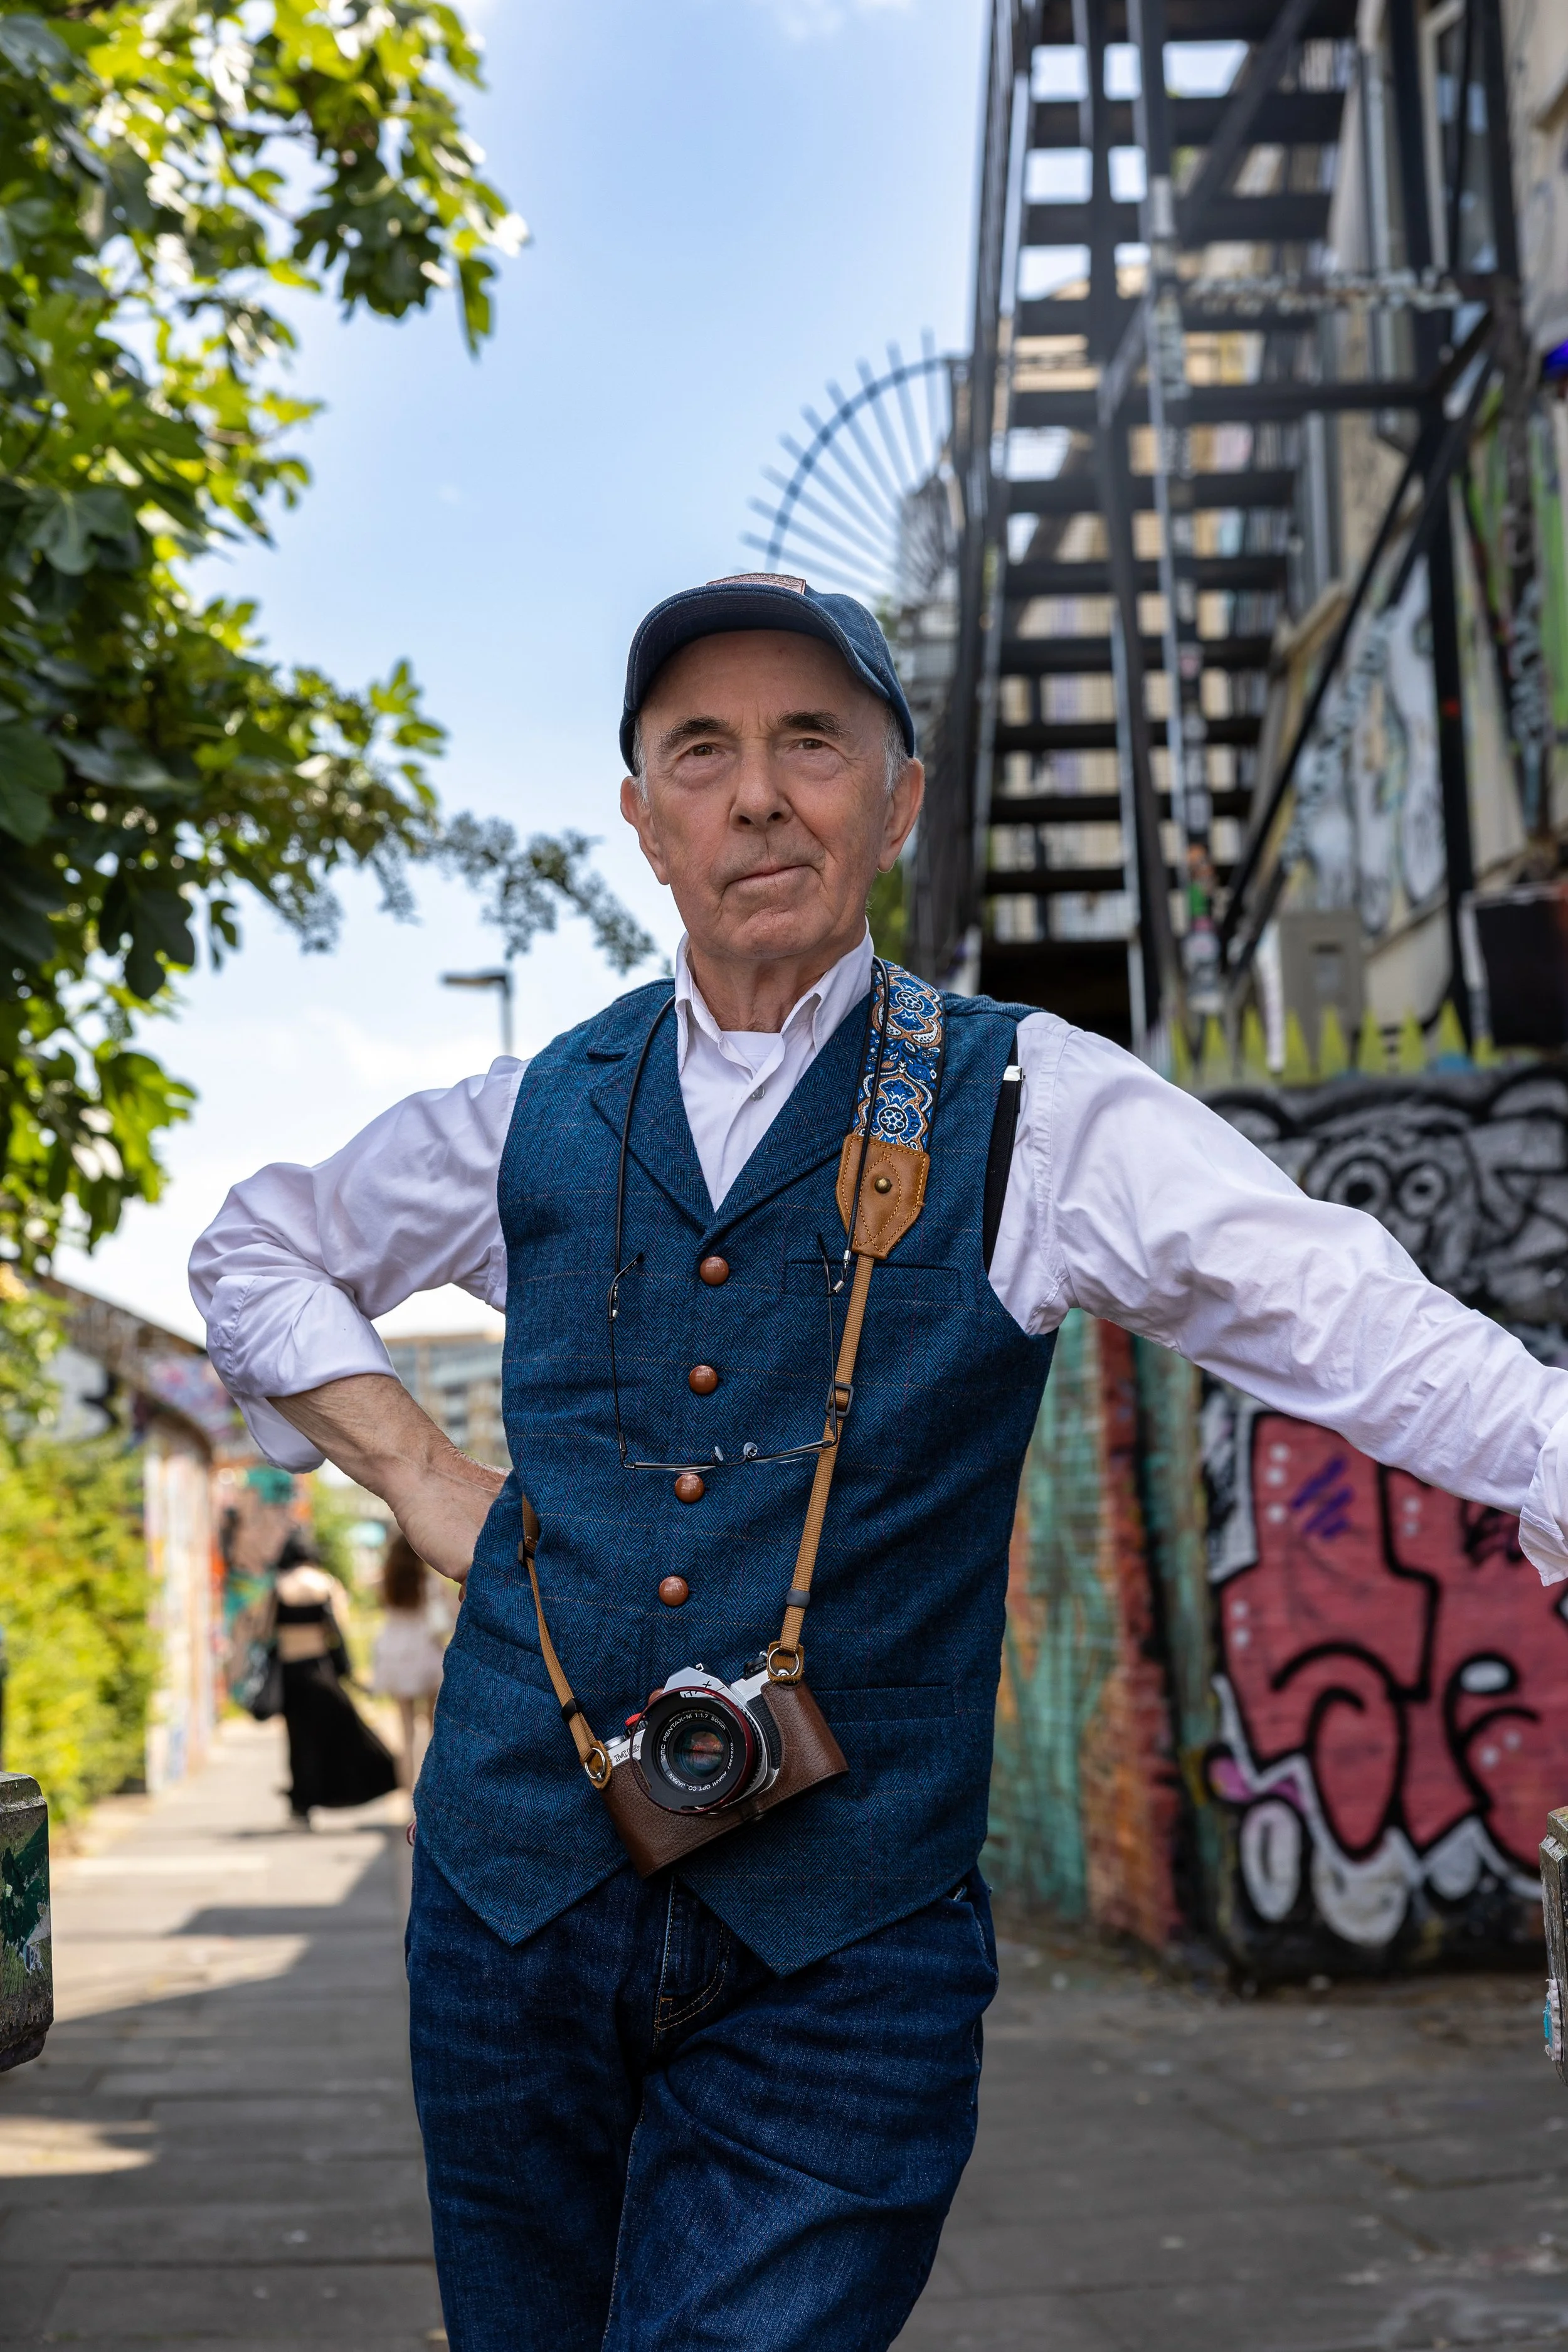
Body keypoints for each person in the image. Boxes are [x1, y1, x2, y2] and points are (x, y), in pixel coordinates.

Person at [190, 574, 1568, 2352]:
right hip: (505, 1899)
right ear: (644, 819)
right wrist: (428, 1482)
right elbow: (255, 1249)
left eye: (811, 742)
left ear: (898, 796)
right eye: (702, 751)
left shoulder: (1033, 1100)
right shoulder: (533, 1107)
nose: (758, 794)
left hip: (847, 1937)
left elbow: (1341, 1308)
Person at [271, 1529, 398, 1828]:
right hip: (320, 1671)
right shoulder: (324, 1584)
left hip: (290, 1673)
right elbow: (337, 1630)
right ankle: (376, 1780)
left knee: (298, 1738)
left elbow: (266, 1632)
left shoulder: (278, 1587)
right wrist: (347, 1670)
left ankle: (301, 1803)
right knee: (341, 1730)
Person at [371, 1531, 448, 1789]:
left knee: (405, 1733)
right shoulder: (428, 1582)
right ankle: (431, 1791)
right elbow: (452, 1611)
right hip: (426, 1653)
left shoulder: (385, 1582)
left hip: (394, 1655)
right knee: (432, 1730)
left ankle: (408, 1795)